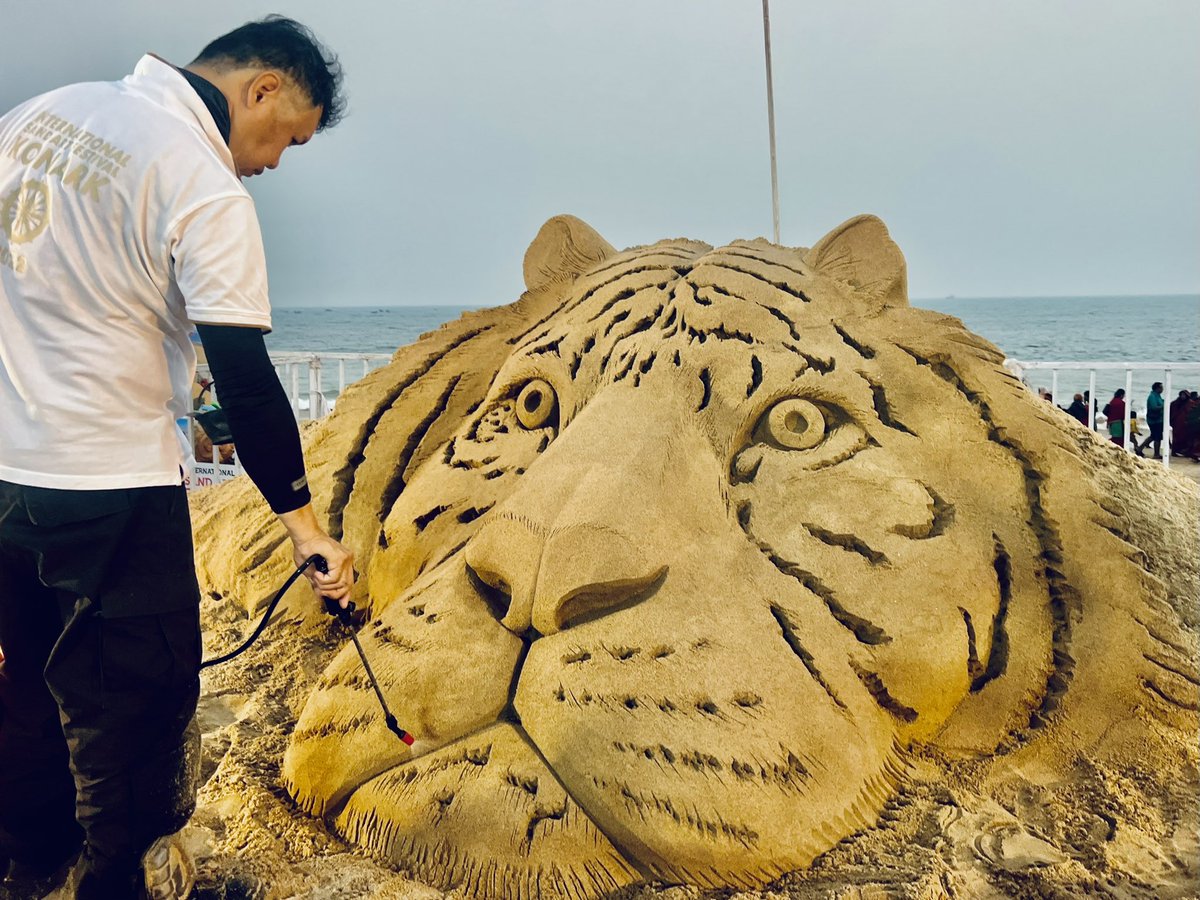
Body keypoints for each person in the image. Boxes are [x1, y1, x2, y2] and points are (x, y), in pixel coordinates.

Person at [0, 18, 355, 900]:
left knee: (27, 687)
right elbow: (242, 373)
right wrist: (307, 529)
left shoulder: (41, 114)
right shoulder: (198, 181)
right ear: (262, 89)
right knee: (140, 708)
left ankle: (32, 863)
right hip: (112, 489)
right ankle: (117, 881)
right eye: (289, 138)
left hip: (7, 478)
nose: (274, 162)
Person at [1136, 382, 1165, 459]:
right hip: (1154, 420)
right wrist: (1163, 406)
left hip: (1158, 419)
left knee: (1153, 436)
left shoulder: (1157, 396)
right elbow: (1154, 407)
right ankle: (1156, 454)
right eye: (1161, 387)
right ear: (1157, 388)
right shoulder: (1152, 396)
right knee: (1157, 437)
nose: (1162, 389)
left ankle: (1139, 448)